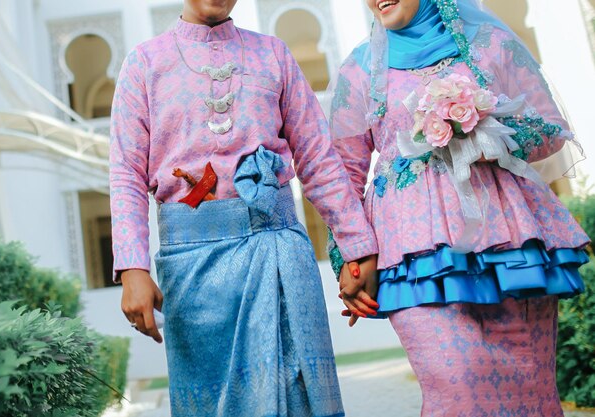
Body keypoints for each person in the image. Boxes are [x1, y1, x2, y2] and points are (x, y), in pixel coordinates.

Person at [109, 0, 379, 416]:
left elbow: (318, 159)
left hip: (279, 257)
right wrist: (132, 267)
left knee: (299, 402)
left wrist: (358, 249)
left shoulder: (273, 53)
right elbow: (126, 172)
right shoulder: (144, 63)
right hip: (193, 274)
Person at [329, 0, 590, 415]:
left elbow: (551, 130)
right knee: (456, 389)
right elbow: (343, 174)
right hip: (413, 256)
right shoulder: (359, 69)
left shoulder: (490, 43)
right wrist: (350, 254)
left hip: (513, 248)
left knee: (531, 393)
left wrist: (488, 131)